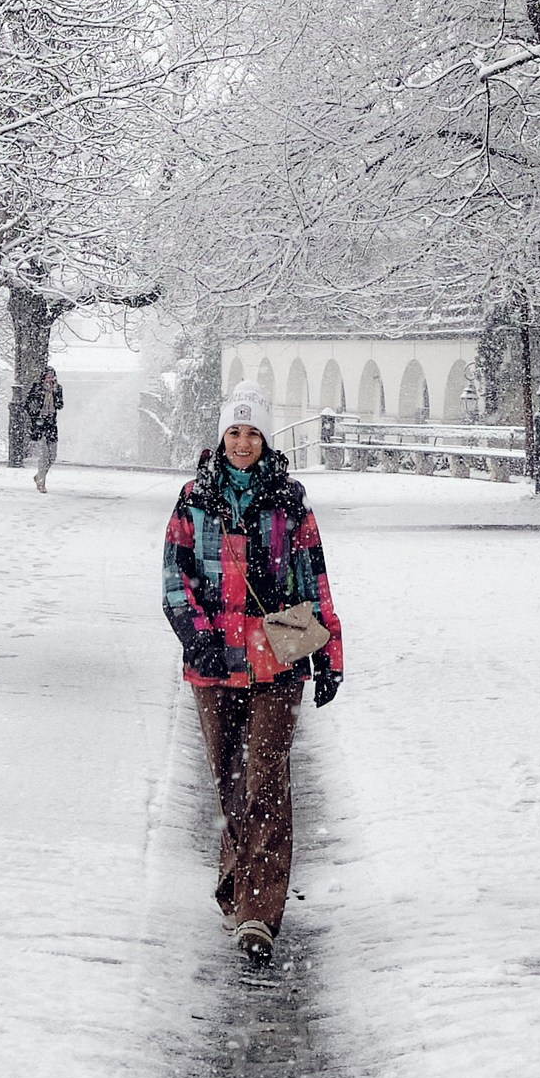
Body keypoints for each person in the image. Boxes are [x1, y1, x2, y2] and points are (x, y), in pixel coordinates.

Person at [162, 386, 343, 970]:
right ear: (221, 437)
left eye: (253, 433)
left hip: (277, 660)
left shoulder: (290, 502)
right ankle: (237, 881)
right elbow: (175, 578)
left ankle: (259, 912)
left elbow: (315, 577)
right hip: (213, 664)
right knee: (229, 780)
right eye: (235, 433)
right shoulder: (194, 499)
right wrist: (199, 637)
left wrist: (329, 654)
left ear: (267, 440)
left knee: (265, 780)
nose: (243, 443)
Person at [21, 359, 63, 492]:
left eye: (52, 376)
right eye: (48, 376)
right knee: (44, 455)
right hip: (40, 423)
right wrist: (36, 415)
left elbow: (60, 405)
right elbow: (28, 405)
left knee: (53, 455)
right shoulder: (37, 388)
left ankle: (39, 476)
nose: (50, 379)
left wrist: (55, 392)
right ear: (43, 377)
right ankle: (41, 482)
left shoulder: (58, 389)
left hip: (51, 424)